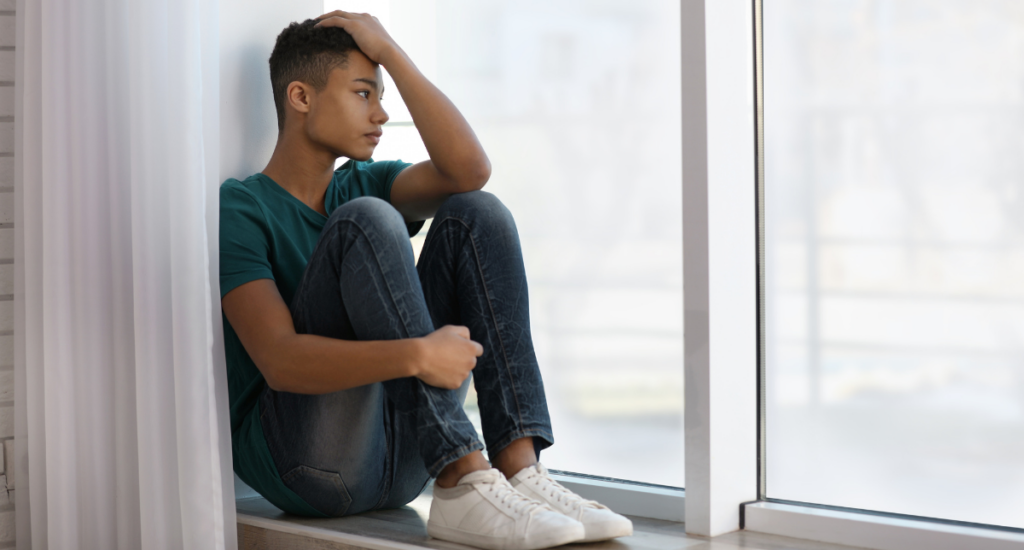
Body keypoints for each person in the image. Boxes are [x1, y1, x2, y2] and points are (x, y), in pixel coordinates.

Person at [219, 11, 632, 550]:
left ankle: (515, 470)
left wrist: (388, 50)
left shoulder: (365, 180)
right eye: (364, 93)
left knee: (476, 211)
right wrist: (415, 355)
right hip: (307, 466)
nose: (383, 113)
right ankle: (462, 471)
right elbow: (279, 360)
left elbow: (469, 171)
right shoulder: (243, 207)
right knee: (367, 220)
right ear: (301, 97)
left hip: (400, 460)